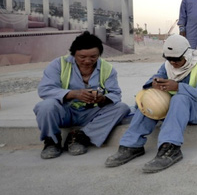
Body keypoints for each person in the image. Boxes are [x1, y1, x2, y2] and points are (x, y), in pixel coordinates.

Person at [105, 35, 197, 173]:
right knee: (150, 99)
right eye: (169, 59)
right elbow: (153, 79)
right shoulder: (167, 66)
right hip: (177, 110)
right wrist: (154, 83)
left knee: (180, 98)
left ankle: (170, 148)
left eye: (177, 59)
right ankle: (131, 145)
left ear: (186, 54)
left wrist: (178, 87)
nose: (173, 63)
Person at [33, 31, 130, 159]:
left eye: (93, 57)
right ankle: (52, 141)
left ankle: (80, 137)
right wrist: (73, 94)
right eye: (82, 57)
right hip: (65, 111)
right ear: (73, 54)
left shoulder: (108, 69)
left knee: (122, 107)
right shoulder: (58, 64)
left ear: (99, 55)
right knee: (45, 106)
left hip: (90, 113)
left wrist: (103, 99)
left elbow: (116, 94)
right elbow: (45, 89)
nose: (87, 61)